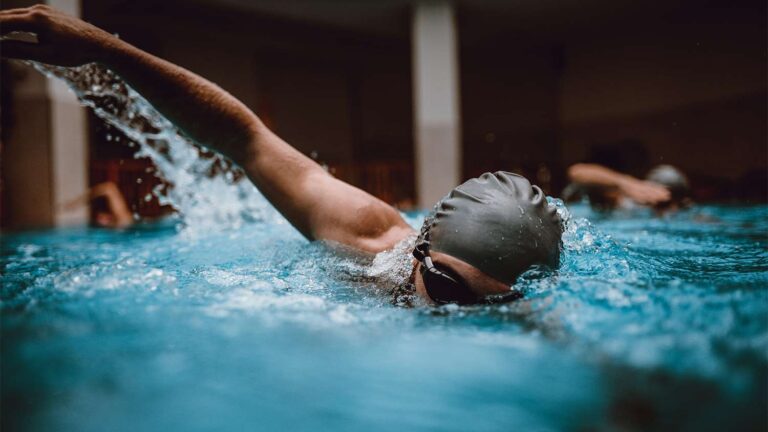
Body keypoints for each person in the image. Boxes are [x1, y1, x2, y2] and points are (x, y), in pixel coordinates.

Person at [0, 5, 562, 306]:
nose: (449, 314)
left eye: (481, 308)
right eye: (445, 288)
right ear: (419, 251)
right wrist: (106, 49)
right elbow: (244, 138)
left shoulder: (529, 322)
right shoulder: (369, 240)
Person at [60, 181, 134, 228]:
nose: (101, 221)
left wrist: (76, 203)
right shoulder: (114, 226)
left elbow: (109, 188)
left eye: (101, 218)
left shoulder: (124, 219)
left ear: (109, 216)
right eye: (99, 219)